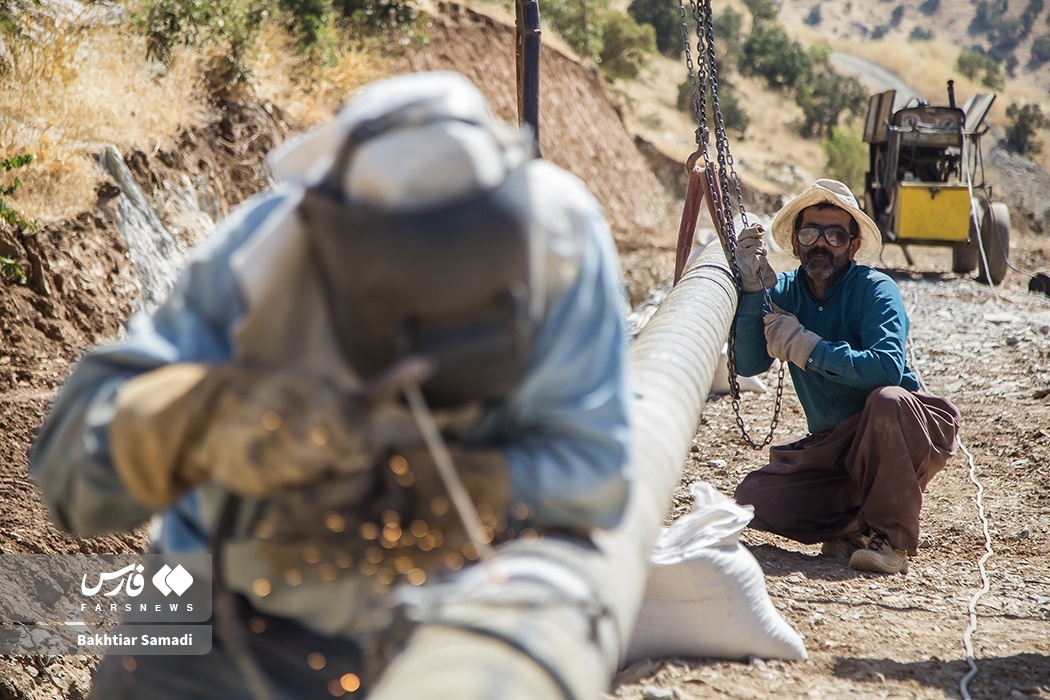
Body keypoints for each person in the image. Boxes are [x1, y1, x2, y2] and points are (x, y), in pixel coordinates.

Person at [29, 71, 633, 698]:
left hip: (437, 633)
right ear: (336, 236)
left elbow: (598, 475)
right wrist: (201, 421)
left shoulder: (556, 245)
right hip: (200, 602)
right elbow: (69, 476)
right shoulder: (259, 261)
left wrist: (438, 496)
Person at [729, 179, 960, 575]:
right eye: (810, 233)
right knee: (754, 498)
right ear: (796, 242)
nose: (821, 244)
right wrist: (752, 291)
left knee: (887, 401)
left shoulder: (876, 290)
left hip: (902, 432)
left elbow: (886, 368)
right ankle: (852, 527)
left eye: (835, 235)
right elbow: (748, 365)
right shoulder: (783, 292)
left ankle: (890, 539)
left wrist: (810, 349)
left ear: (853, 246)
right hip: (834, 447)